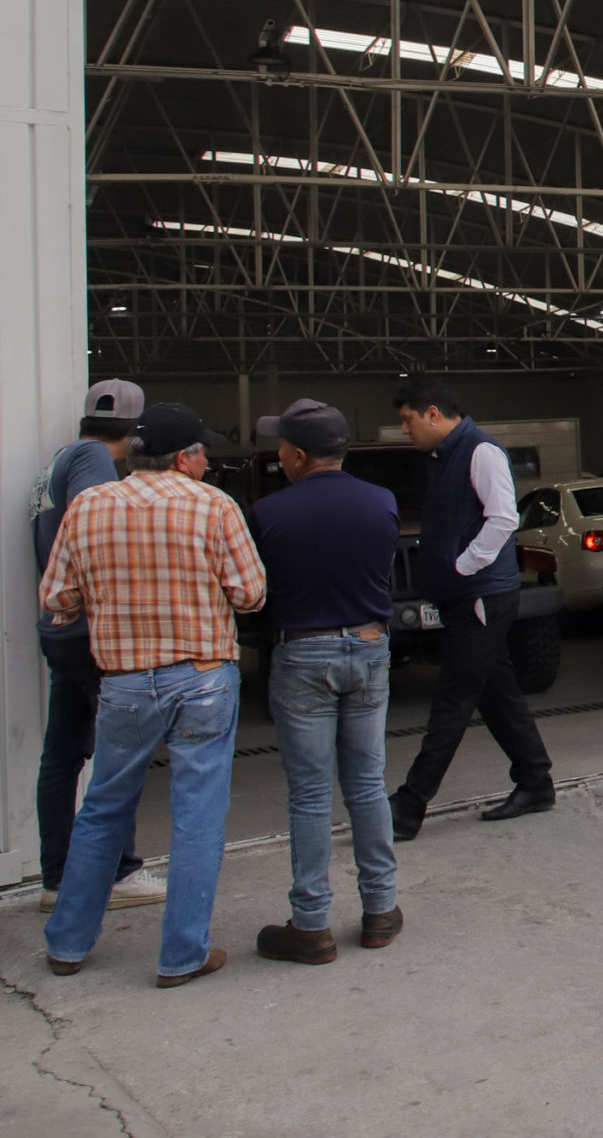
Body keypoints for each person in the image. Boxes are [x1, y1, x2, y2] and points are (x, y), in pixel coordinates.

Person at [40, 403, 265, 987]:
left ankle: (66, 945)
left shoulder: (87, 506)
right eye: (203, 452)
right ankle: (182, 954)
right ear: (186, 459)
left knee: (103, 809)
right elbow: (250, 595)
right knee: (198, 815)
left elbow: (57, 598)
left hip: (124, 682)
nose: (208, 461)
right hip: (202, 676)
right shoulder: (213, 506)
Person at [246, 400, 403, 964]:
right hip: (368, 646)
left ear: (297, 454)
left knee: (311, 794)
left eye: (282, 448)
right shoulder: (381, 503)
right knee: (367, 783)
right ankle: (381, 910)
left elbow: (256, 593)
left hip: (302, 654)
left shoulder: (269, 513)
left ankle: (311, 924)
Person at [387, 378, 555, 840]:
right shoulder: (444, 458)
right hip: (467, 597)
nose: (406, 430)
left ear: (434, 413)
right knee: (495, 691)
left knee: (453, 699)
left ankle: (409, 805)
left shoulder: (481, 451)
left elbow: (503, 517)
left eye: (408, 420)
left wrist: (464, 566)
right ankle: (535, 780)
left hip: (481, 596)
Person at [26, 378, 163, 915]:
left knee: (61, 756)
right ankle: (122, 871)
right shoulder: (90, 461)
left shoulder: (58, 459)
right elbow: (96, 529)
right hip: (89, 631)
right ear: (133, 432)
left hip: (59, 628)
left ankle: (56, 877)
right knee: (120, 753)